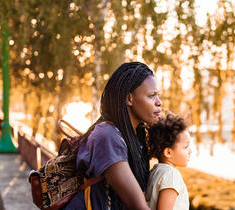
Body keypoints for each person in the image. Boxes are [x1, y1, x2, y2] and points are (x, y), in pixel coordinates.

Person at [64, 62, 162, 210]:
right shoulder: (107, 135)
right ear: (129, 99)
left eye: (158, 95)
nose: (159, 102)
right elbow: (137, 205)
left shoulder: (135, 135)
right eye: (151, 96)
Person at [145, 113, 192, 210]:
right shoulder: (171, 175)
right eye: (186, 147)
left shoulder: (156, 171)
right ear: (168, 152)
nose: (190, 151)